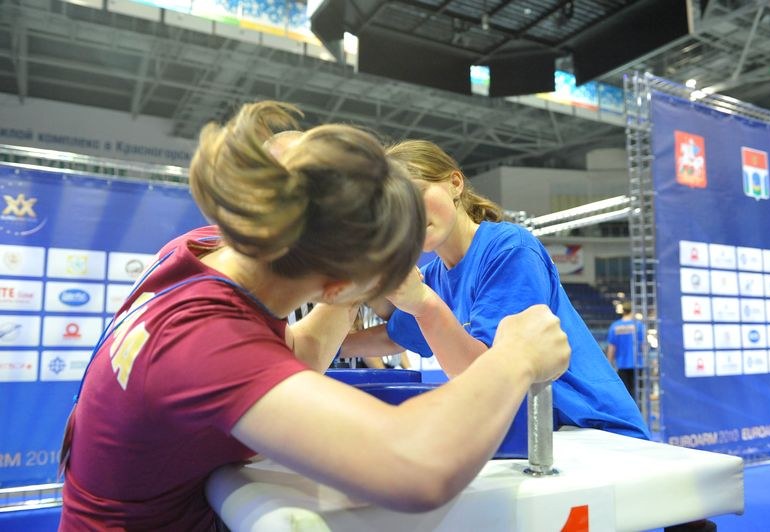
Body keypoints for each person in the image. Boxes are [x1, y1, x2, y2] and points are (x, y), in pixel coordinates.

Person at [58, 102, 571, 530]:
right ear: (343, 285)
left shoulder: (198, 254)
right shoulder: (201, 339)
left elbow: (291, 357)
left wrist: (353, 274)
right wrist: (516, 358)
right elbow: (414, 466)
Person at [342, 139, 649, 440]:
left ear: (455, 183)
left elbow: (488, 377)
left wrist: (422, 303)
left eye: (418, 193)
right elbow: (395, 335)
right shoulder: (435, 275)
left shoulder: (508, 249)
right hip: (540, 433)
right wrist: (315, 347)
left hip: (594, 428)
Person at [606, 301, 646, 399]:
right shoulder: (639, 325)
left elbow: (612, 347)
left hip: (622, 364)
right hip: (638, 364)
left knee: (625, 394)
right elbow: (643, 345)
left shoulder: (615, 326)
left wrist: (609, 363)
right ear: (632, 311)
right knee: (638, 395)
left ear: (623, 311)